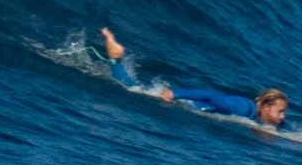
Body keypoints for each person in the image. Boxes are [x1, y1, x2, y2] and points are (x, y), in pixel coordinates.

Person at [100, 28, 289, 129]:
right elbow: (210, 95)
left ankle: (117, 58)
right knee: (131, 88)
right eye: (280, 112)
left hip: (186, 103)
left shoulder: (256, 115)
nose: (283, 117)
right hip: (185, 102)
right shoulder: (241, 108)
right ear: (265, 107)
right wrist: (174, 94)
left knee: (135, 85)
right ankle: (115, 57)